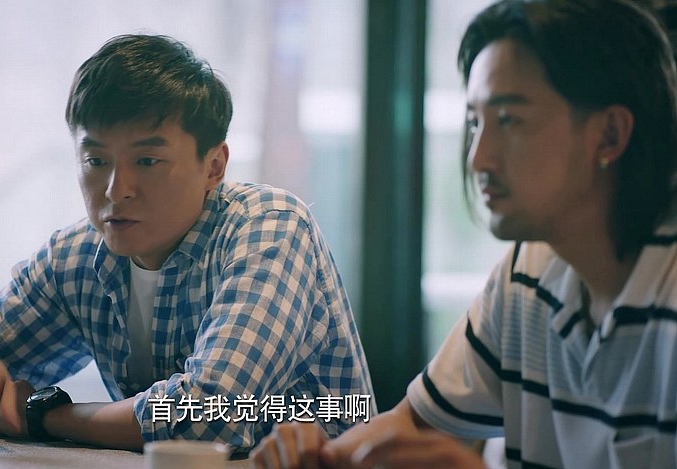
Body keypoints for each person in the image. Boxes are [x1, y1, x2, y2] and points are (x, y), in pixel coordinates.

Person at [0, 34, 375, 456]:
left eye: (146, 161)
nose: (116, 189)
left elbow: (208, 415)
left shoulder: (269, 227)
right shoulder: (78, 257)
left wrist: (46, 416)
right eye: (96, 160)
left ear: (214, 166)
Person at [250, 0, 677, 467]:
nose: (478, 158)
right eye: (475, 121)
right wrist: (319, 456)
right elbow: (412, 425)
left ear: (610, 135)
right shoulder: (529, 273)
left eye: (509, 119)